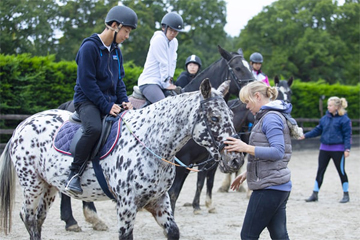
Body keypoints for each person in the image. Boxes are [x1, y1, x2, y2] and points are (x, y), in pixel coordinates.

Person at [65, 5, 137, 194]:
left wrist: (124, 101)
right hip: (87, 100)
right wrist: (106, 106)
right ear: (114, 26)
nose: (127, 36)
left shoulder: (116, 51)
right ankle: (74, 173)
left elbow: (119, 80)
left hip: (109, 101)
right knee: (94, 128)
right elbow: (87, 83)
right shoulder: (89, 47)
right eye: (126, 31)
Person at [226, 81, 293, 240]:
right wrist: (246, 173)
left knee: (248, 235)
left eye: (247, 102)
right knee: (279, 235)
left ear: (257, 96)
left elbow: (278, 152)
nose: (247, 107)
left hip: (269, 187)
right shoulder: (267, 117)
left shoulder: (270, 118)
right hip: (277, 186)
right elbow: (268, 153)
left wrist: (246, 147)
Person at [300, 96, 352, 203]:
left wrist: (347, 149)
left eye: (330, 105)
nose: (328, 107)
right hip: (324, 149)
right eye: (328, 105)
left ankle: (346, 194)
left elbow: (347, 135)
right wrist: (305, 135)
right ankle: (315, 194)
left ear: (337, 107)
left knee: (341, 171)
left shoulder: (345, 120)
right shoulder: (325, 118)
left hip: (338, 149)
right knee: (320, 170)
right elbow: (317, 130)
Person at [137, 12, 184, 103]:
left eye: (176, 31)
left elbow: (173, 62)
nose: (173, 33)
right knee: (164, 105)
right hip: (150, 82)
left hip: (163, 83)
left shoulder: (174, 42)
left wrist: (170, 81)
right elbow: (163, 63)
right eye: (171, 30)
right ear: (164, 27)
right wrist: (167, 84)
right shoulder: (159, 39)